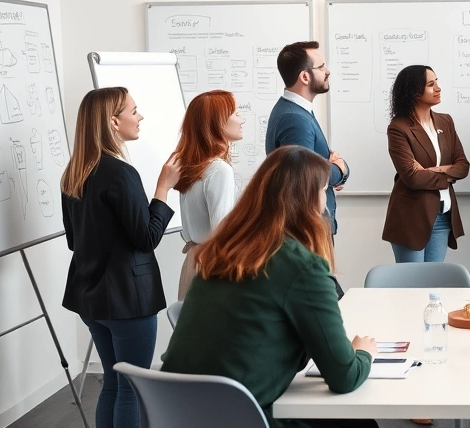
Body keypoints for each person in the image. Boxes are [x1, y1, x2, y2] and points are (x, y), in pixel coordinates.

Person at [161, 146, 378, 428]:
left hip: (175, 411)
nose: (325, 201)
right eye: (324, 190)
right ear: (309, 198)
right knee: (360, 423)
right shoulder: (303, 266)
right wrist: (363, 353)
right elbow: (344, 377)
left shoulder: (221, 251)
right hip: (241, 417)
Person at [60, 87, 181, 428]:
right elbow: (146, 238)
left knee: (113, 383)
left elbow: (74, 241)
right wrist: (162, 189)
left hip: (90, 299)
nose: (140, 116)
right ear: (114, 121)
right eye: (134, 110)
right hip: (128, 302)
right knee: (131, 388)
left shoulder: (74, 173)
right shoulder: (121, 173)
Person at [382, 65, 470, 262]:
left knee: (432, 283)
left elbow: (463, 165)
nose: (438, 88)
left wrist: (435, 171)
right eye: (431, 84)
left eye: (437, 82)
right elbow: (412, 178)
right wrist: (449, 172)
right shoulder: (399, 128)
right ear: (413, 91)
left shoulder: (445, 121)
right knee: (412, 285)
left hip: (443, 215)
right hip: (411, 217)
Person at [265, 41, 348, 234]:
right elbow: (306, 176)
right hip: (307, 228)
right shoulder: (295, 118)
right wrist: (339, 169)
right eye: (321, 67)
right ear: (304, 76)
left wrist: (331, 170)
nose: (327, 71)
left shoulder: (294, 110)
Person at [173, 89, 244, 300]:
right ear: (220, 122)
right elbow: (221, 235)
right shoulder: (219, 170)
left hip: (193, 264)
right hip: (212, 270)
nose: (242, 120)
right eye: (236, 113)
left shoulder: (193, 168)